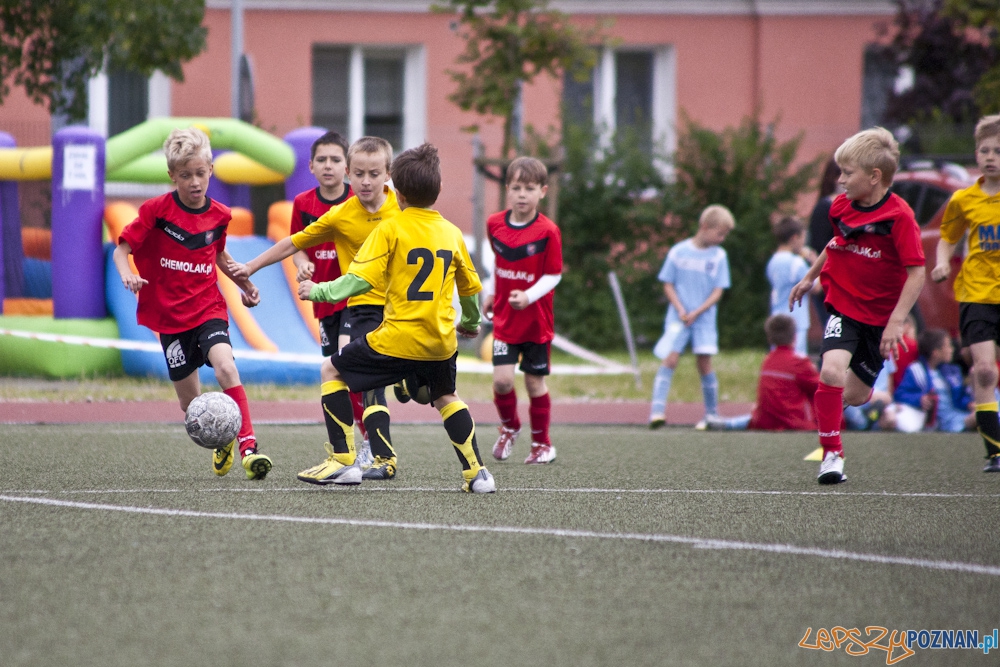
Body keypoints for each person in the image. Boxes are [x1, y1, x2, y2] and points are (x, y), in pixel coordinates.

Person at [297, 142, 495, 493]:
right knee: (446, 397)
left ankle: (343, 462)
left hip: (398, 338)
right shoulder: (452, 233)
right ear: (439, 189)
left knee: (331, 370)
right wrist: (471, 323)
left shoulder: (390, 229)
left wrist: (319, 290)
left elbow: (359, 280)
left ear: (397, 192)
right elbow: (469, 287)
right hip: (440, 342)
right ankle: (477, 474)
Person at [230, 136, 401, 482]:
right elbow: (294, 243)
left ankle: (355, 455)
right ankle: (366, 453)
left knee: (350, 369)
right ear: (351, 173)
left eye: (374, 173)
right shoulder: (337, 213)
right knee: (352, 374)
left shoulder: (401, 206)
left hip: (392, 306)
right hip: (342, 302)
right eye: (360, 174)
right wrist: (251, 266)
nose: (366, 181)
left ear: (387, 175)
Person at [112, 127, 271, 481]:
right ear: (172, 175)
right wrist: (127, 275)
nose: (195, 182)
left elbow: (218, 255)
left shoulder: (220, 214)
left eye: (200, 173)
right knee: (190, 406)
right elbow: (121, 251)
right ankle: (222, 440)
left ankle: (249, 447)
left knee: (226, 367)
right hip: (170, 318)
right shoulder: (156, 211)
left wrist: (246, 285)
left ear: (211, 170)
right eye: (186, 175)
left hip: (208, 308)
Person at [789, 127, 925, 484]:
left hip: (880, 319)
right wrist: (809, 277)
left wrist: (896, 322)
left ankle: (831, 415)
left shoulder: (899, 218)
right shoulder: (840, 207)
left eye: (847, 173)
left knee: (856, 394)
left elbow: (917, 274)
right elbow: (836, 242)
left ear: (874, 176)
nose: (840, 180)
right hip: (844, 306)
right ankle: (831, 455)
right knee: (830, 372)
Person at [287, 131, 372, 466]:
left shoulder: (358, 200)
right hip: (323, 300)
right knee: (335, 372)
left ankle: (369, 441)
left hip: (354, 296)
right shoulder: (303, 204)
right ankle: (350, 443)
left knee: (346, 362)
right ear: (310, 166)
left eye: (336, 159)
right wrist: (302, 264)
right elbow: (297, 247)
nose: (328, 165)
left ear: (347, 167)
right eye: (321, 159)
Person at [931, 113, 1000, 471]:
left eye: (998, 151)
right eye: (985, 150)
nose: (990, 157)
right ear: (976, 154)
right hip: (977, 295)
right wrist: (942, 262)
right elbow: (948, 238)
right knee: (984, 370)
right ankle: (995, 452)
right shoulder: (963, 199)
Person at [485, 157, 563, 464]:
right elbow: (499, 263)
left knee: (533, 383)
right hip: (506, 319)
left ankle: (542, 444)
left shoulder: (548, 231)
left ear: (542, 191)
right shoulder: (494, 224)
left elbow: (554, 275)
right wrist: (492, 292)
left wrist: (529, 296)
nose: (522, 194)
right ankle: (510, 427)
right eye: (516, 187)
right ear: (507, 189)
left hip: (535, 323)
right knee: (502, 381)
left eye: (529, 188)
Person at [648, 204, 734, 429]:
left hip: (703, 319)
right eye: (720, 233)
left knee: (704, 363)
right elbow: (668, 283)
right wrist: (680, 308)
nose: (722, 239)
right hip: (679, 317)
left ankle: (712, 414)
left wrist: (698, 311)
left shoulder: (719, 256)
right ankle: (657, 412)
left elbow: (718, 291)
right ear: (704, 226)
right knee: (670, 359)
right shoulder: (678, 252)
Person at [705, 314, 819, 431]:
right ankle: (728, 424)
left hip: (764, 421)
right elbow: (819, 388)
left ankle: (728, 424)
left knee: (751, 419)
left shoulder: (768, 360)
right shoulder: (800, 362)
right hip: (795, 422)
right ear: (795, 336)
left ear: (769, 338)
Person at [883, 328, 974, 433]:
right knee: (979, 418)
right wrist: (919, 399)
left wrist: (969, 403)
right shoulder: (916, 371)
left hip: (957, 415)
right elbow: (900, 394)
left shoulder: (952, 372)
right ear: (936, 352)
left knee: (980, 416)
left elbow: (961, 396)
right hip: (937, 422)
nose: (952, 349)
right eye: (948, 346)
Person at [767, 217, 817, 356]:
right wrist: (815, 264)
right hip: (795, 319)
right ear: (795, 238)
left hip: (777, 316)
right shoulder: (796, 263)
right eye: (803, 238)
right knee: (796, 357)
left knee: (778, 356)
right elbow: (816, 287)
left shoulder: (773, 261)